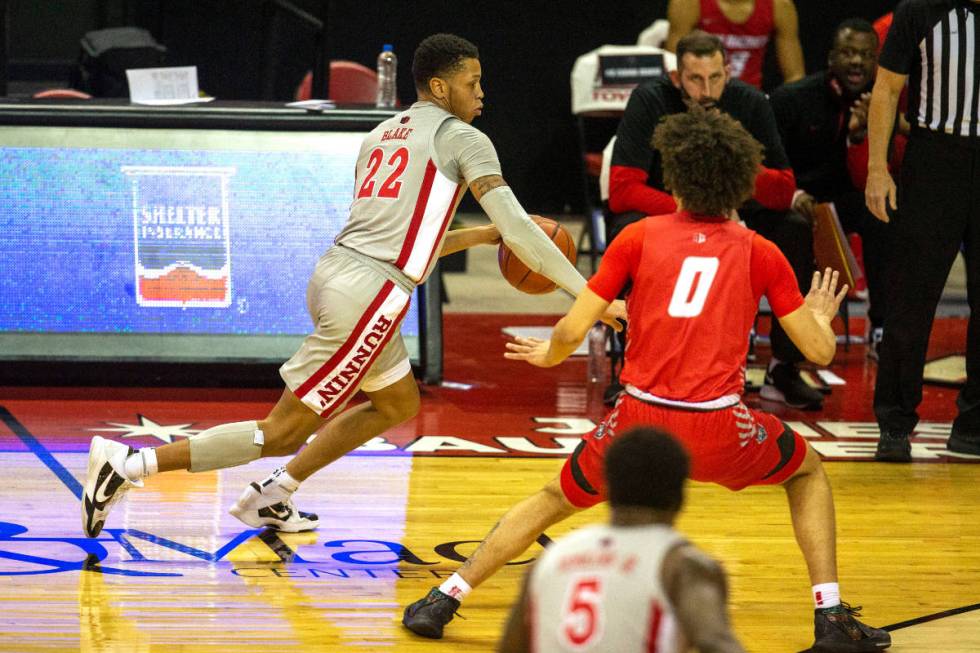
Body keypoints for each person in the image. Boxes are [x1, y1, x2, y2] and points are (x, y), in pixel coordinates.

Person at [80, 33, 625, 538]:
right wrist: (589, 296)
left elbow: (403, 239)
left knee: (395, 402)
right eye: (472, 82)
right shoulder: (465, 138)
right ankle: (129, 465)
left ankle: (276, 492)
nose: (482, 93)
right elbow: (522, 229)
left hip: (339, 273)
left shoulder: (381, 134)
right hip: (370, 294)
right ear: (441, 87)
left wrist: (480, 236)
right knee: (282, 430)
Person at [403, 107, 891, 652]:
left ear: (676, 180)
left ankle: (444, 597)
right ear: (741, 183)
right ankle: (829, 617)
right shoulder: (762, 251)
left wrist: (550, 354)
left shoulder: (639, 236)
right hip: (719, 427)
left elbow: (573, 324)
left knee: (550, 498)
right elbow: (820, 351)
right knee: (806, 473)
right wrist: (821, 317)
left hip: (636, 421)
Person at [608, 30, 823, 410]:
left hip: (736, 215)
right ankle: (630, 366)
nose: (706, 90)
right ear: (677, 78)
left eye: (715, 78)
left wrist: (738, 162)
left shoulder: (751, 103)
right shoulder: (651, 99)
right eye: (695, 79)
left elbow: (784, 187)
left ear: (729, 72)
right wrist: (689, 210)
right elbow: (623, 189)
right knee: (626, 226)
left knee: (795, 228)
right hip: (670, 215)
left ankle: (783, 368)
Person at [496, 427, 746, 653]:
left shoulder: (550, 558)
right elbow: (716, 642)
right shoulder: (683, 565)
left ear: (609, 489)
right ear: (680, 496)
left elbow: (510, 647)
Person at [865, 0, 980, 462]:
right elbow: (887, 89)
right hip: (934, 159)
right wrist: (877, 168)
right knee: (912, 297)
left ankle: (973, 425)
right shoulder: (919, 10)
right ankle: (894, 424)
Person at [769, 18, 892, 361]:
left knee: (881, 211)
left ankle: (881, 326)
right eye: (849, 53)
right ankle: (786, 350)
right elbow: (764, 162)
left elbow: (864, 180)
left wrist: (860, 137)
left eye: (866, 55)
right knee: (791, 227)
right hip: (786, 199)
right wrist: (791, 195)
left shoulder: (882, 103)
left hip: (837, 200)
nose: (857, 62)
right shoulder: (791, 99)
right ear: (831, 58)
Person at [664, 0, 805, 89]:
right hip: (701, 95)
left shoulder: (780, 6)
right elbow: (673, 67)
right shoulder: (688, 3)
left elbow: (795, 76)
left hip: (750, 98)